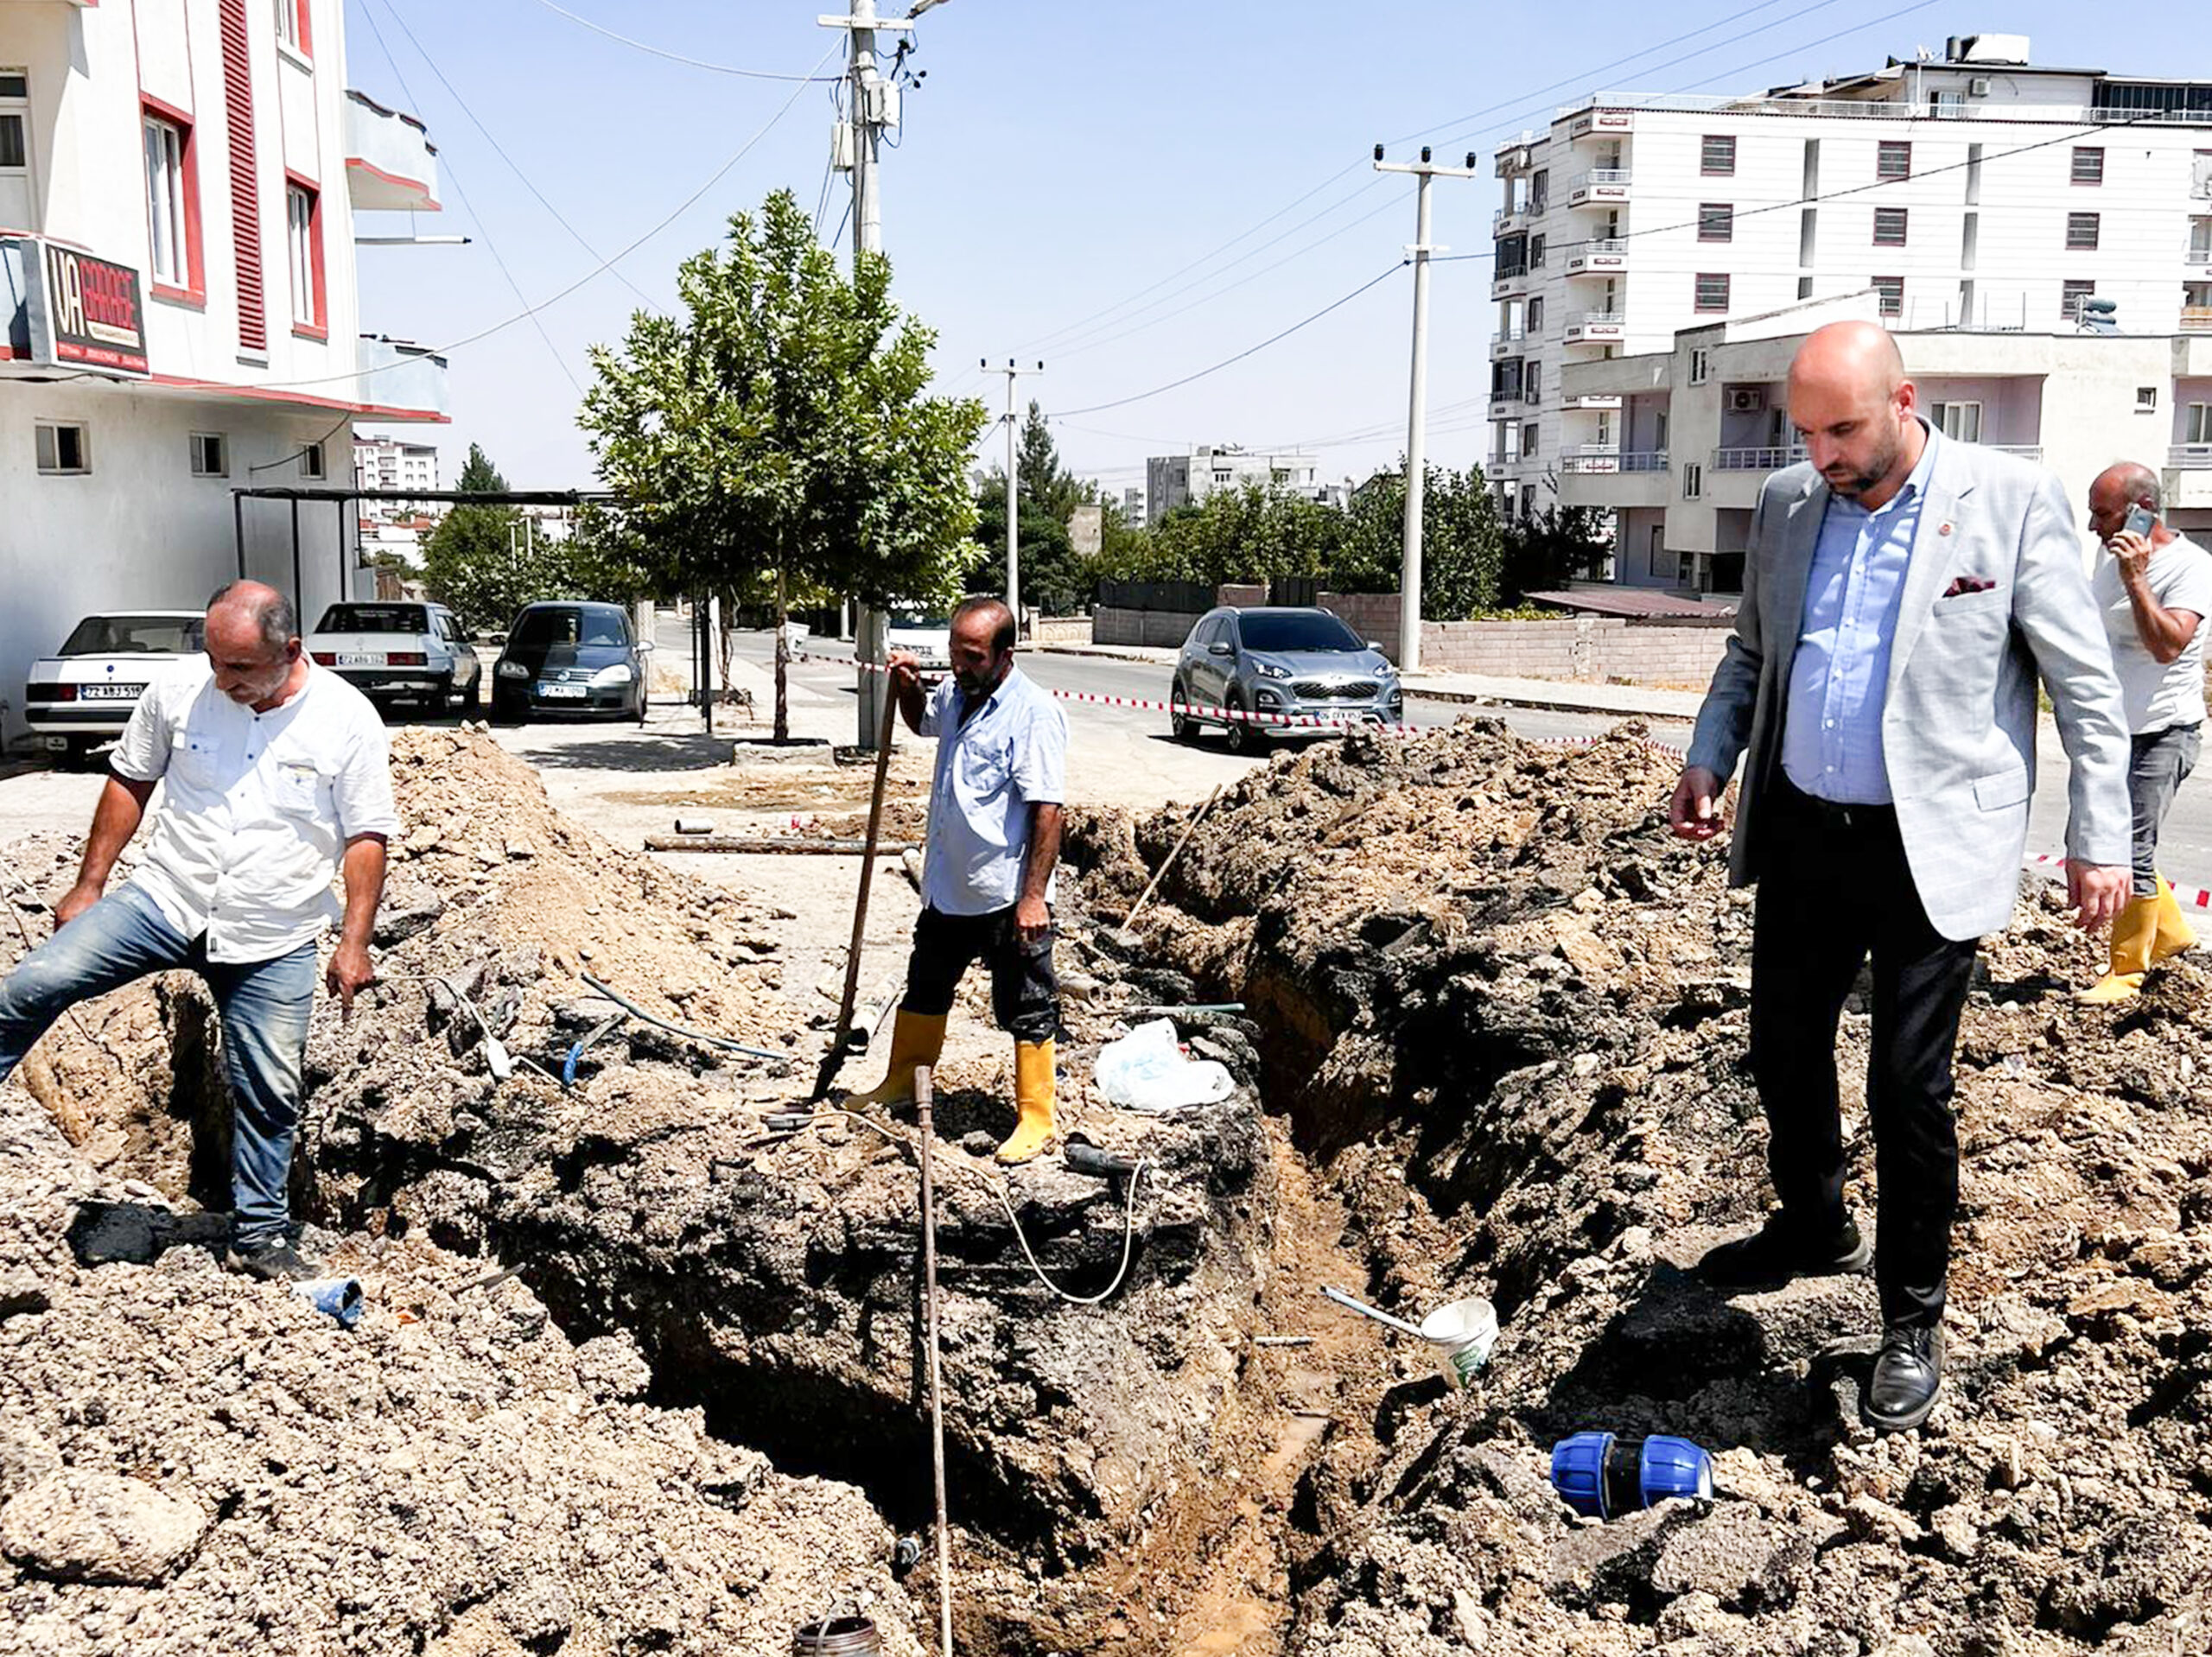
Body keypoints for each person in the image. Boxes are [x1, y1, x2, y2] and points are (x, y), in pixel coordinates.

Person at [1668, 321, 2131, 1433]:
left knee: (1907, 1089)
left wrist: (2099, 835)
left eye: (1843, 429)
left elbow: (2085, 685)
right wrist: (1708, 753)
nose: (1822, 453)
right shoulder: (1786, 506)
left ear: (1904, 400)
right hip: (1803, 835)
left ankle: (1910, 1319)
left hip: (1933, 847)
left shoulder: (2009, 502)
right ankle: (1813, 1223)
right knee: (1780, 1047)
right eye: (1807, 431)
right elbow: (1748, 654)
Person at [0, 581, 397, 1281]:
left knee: (269, 1090)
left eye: (240, 669)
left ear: (290, 651)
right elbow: (130, 780)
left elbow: (367, 835)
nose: (223, 680)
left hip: (271, 931)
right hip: (166, 899)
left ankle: (258, 1237)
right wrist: (90, 884)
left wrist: (354, 941)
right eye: (214, 661)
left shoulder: (347, 720)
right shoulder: (177, 693)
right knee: (34, 983)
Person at [850, 595, 1068, 1165]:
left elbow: (1049, 809)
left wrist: (1033, 898)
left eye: (971, 656)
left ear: (1004, 654)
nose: (959, 664)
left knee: (1028, 1004)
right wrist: (906, 687)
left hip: (1004, 894)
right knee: (925, 987)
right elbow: (922, 721)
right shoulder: (957, 694)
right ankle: (903, 1082)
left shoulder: (1033, 712)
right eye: (954, 652)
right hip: (948, 885)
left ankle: (1035, 1117)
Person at [2074, 462, 2211, 1001]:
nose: (2093, 527)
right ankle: (2173, 935)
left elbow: (2167, 645)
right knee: (2113, 837)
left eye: (2102, 514)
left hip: (2163, 731)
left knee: (2130, 847)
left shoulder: (2190, 567)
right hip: (2114, 730)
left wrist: (2137, 578)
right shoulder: (2108, 560)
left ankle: (2128, 969)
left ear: (2141, 510)